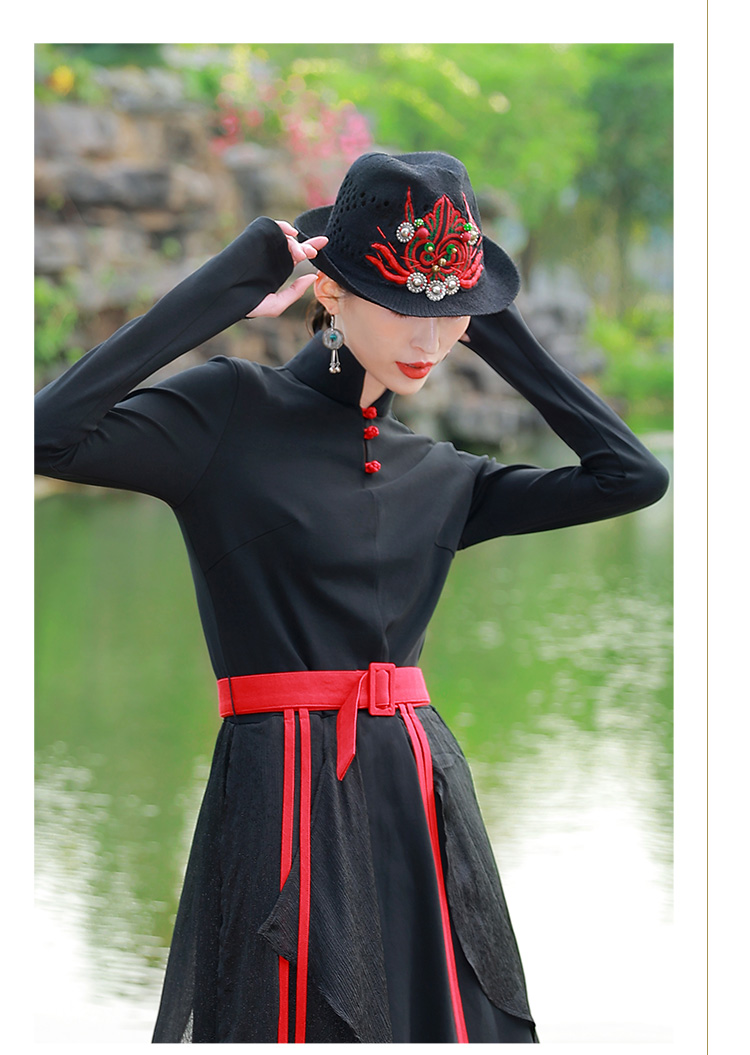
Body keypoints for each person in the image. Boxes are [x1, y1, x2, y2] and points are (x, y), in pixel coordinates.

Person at [35, 151, 669, 1044]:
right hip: (282, 793)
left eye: (451, 314)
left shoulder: (442, 475)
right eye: (409, 308)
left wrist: (499, 333)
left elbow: (631, 476)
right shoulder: (227, 414)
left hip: (418, 796)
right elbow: (42, 436)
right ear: (330, 291)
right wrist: (226, 285)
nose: (430, 341)